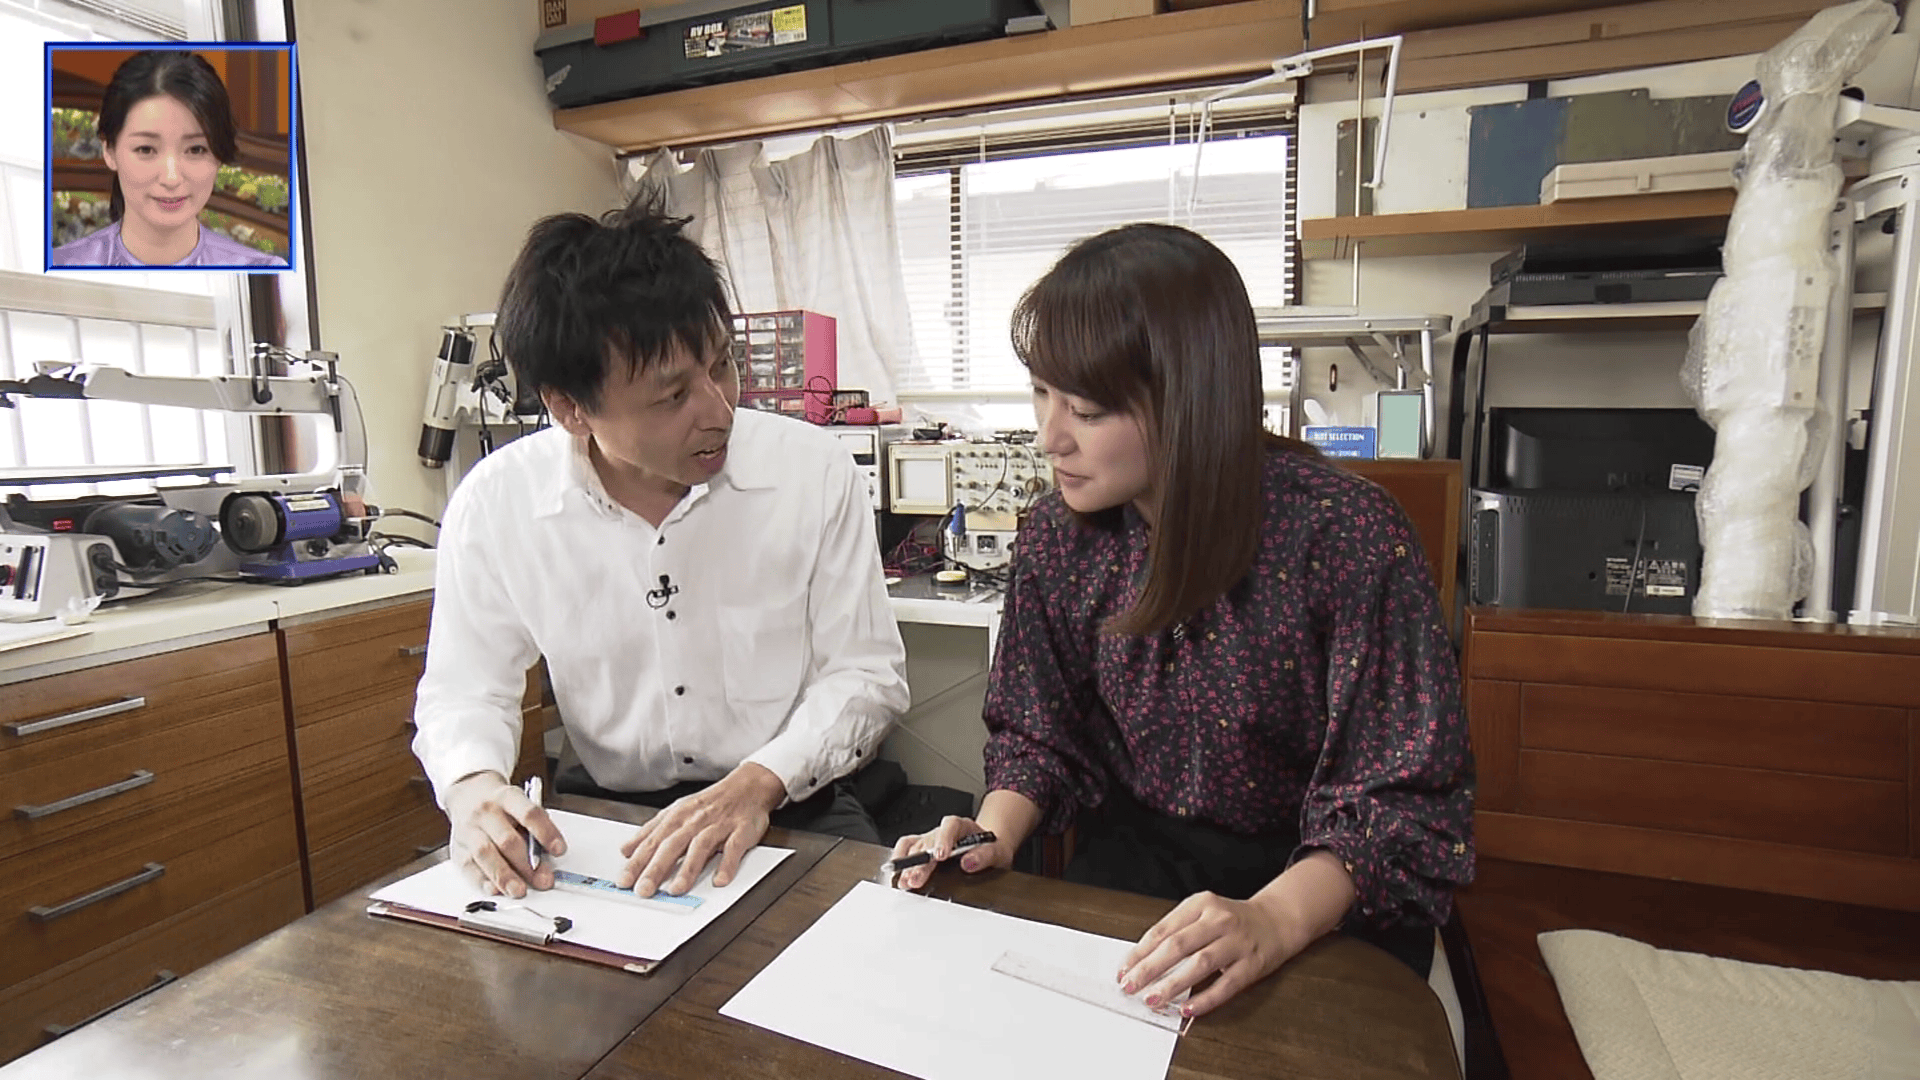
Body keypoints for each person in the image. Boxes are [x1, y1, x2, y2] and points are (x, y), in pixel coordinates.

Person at [889, 223, 1474, 1020]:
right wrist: (989, 835)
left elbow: (1400, 800)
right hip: (1140, 874)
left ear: (1189, 398)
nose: (1050, 437)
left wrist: (1274, 920)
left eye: (1087, 409)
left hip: (1319, 888)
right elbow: (1039, 735)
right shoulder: (1058, 537)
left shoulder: (1345, 535)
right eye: (1042, 393)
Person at [413, 204, 908, 902]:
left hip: (788, 798)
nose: (719, 410)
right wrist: (471, 789)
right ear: (570, 408)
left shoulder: (811, 471)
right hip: (608, 815)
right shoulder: (498, 504)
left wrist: (757, 783)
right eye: (673, 395)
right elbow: (465, 689)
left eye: (722, 365)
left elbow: (866, 674)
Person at [50, 49, 286, 268]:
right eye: (146, 149)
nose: (171, 179)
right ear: (109, 151)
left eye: (196, 150)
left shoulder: (264, 269)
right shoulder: (62, 265)